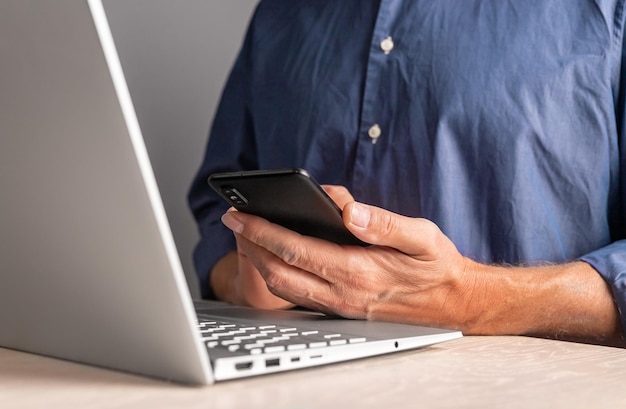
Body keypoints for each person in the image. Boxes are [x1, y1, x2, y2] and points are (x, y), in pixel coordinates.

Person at [188, 0, 626, 347]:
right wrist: (246, 284)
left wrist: (474, 298)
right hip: (298, 379)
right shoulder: (281, 13)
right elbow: (218, 202)